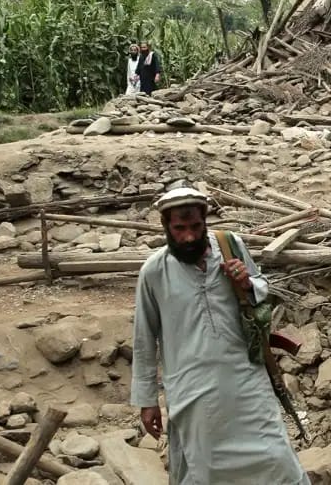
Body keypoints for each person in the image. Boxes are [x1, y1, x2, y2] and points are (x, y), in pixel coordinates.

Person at [131, 186, 309, 485]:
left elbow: (262, 291)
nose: (188, 236)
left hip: (246, 381)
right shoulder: (153, 272)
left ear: (205, 221)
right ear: (166, 227)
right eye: (179, 228)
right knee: (207, 472)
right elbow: (143, 339)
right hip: (193, 393)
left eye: (195, 227)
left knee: (276, 460)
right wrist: (147, 400)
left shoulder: (230, 245)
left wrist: (247, 282)